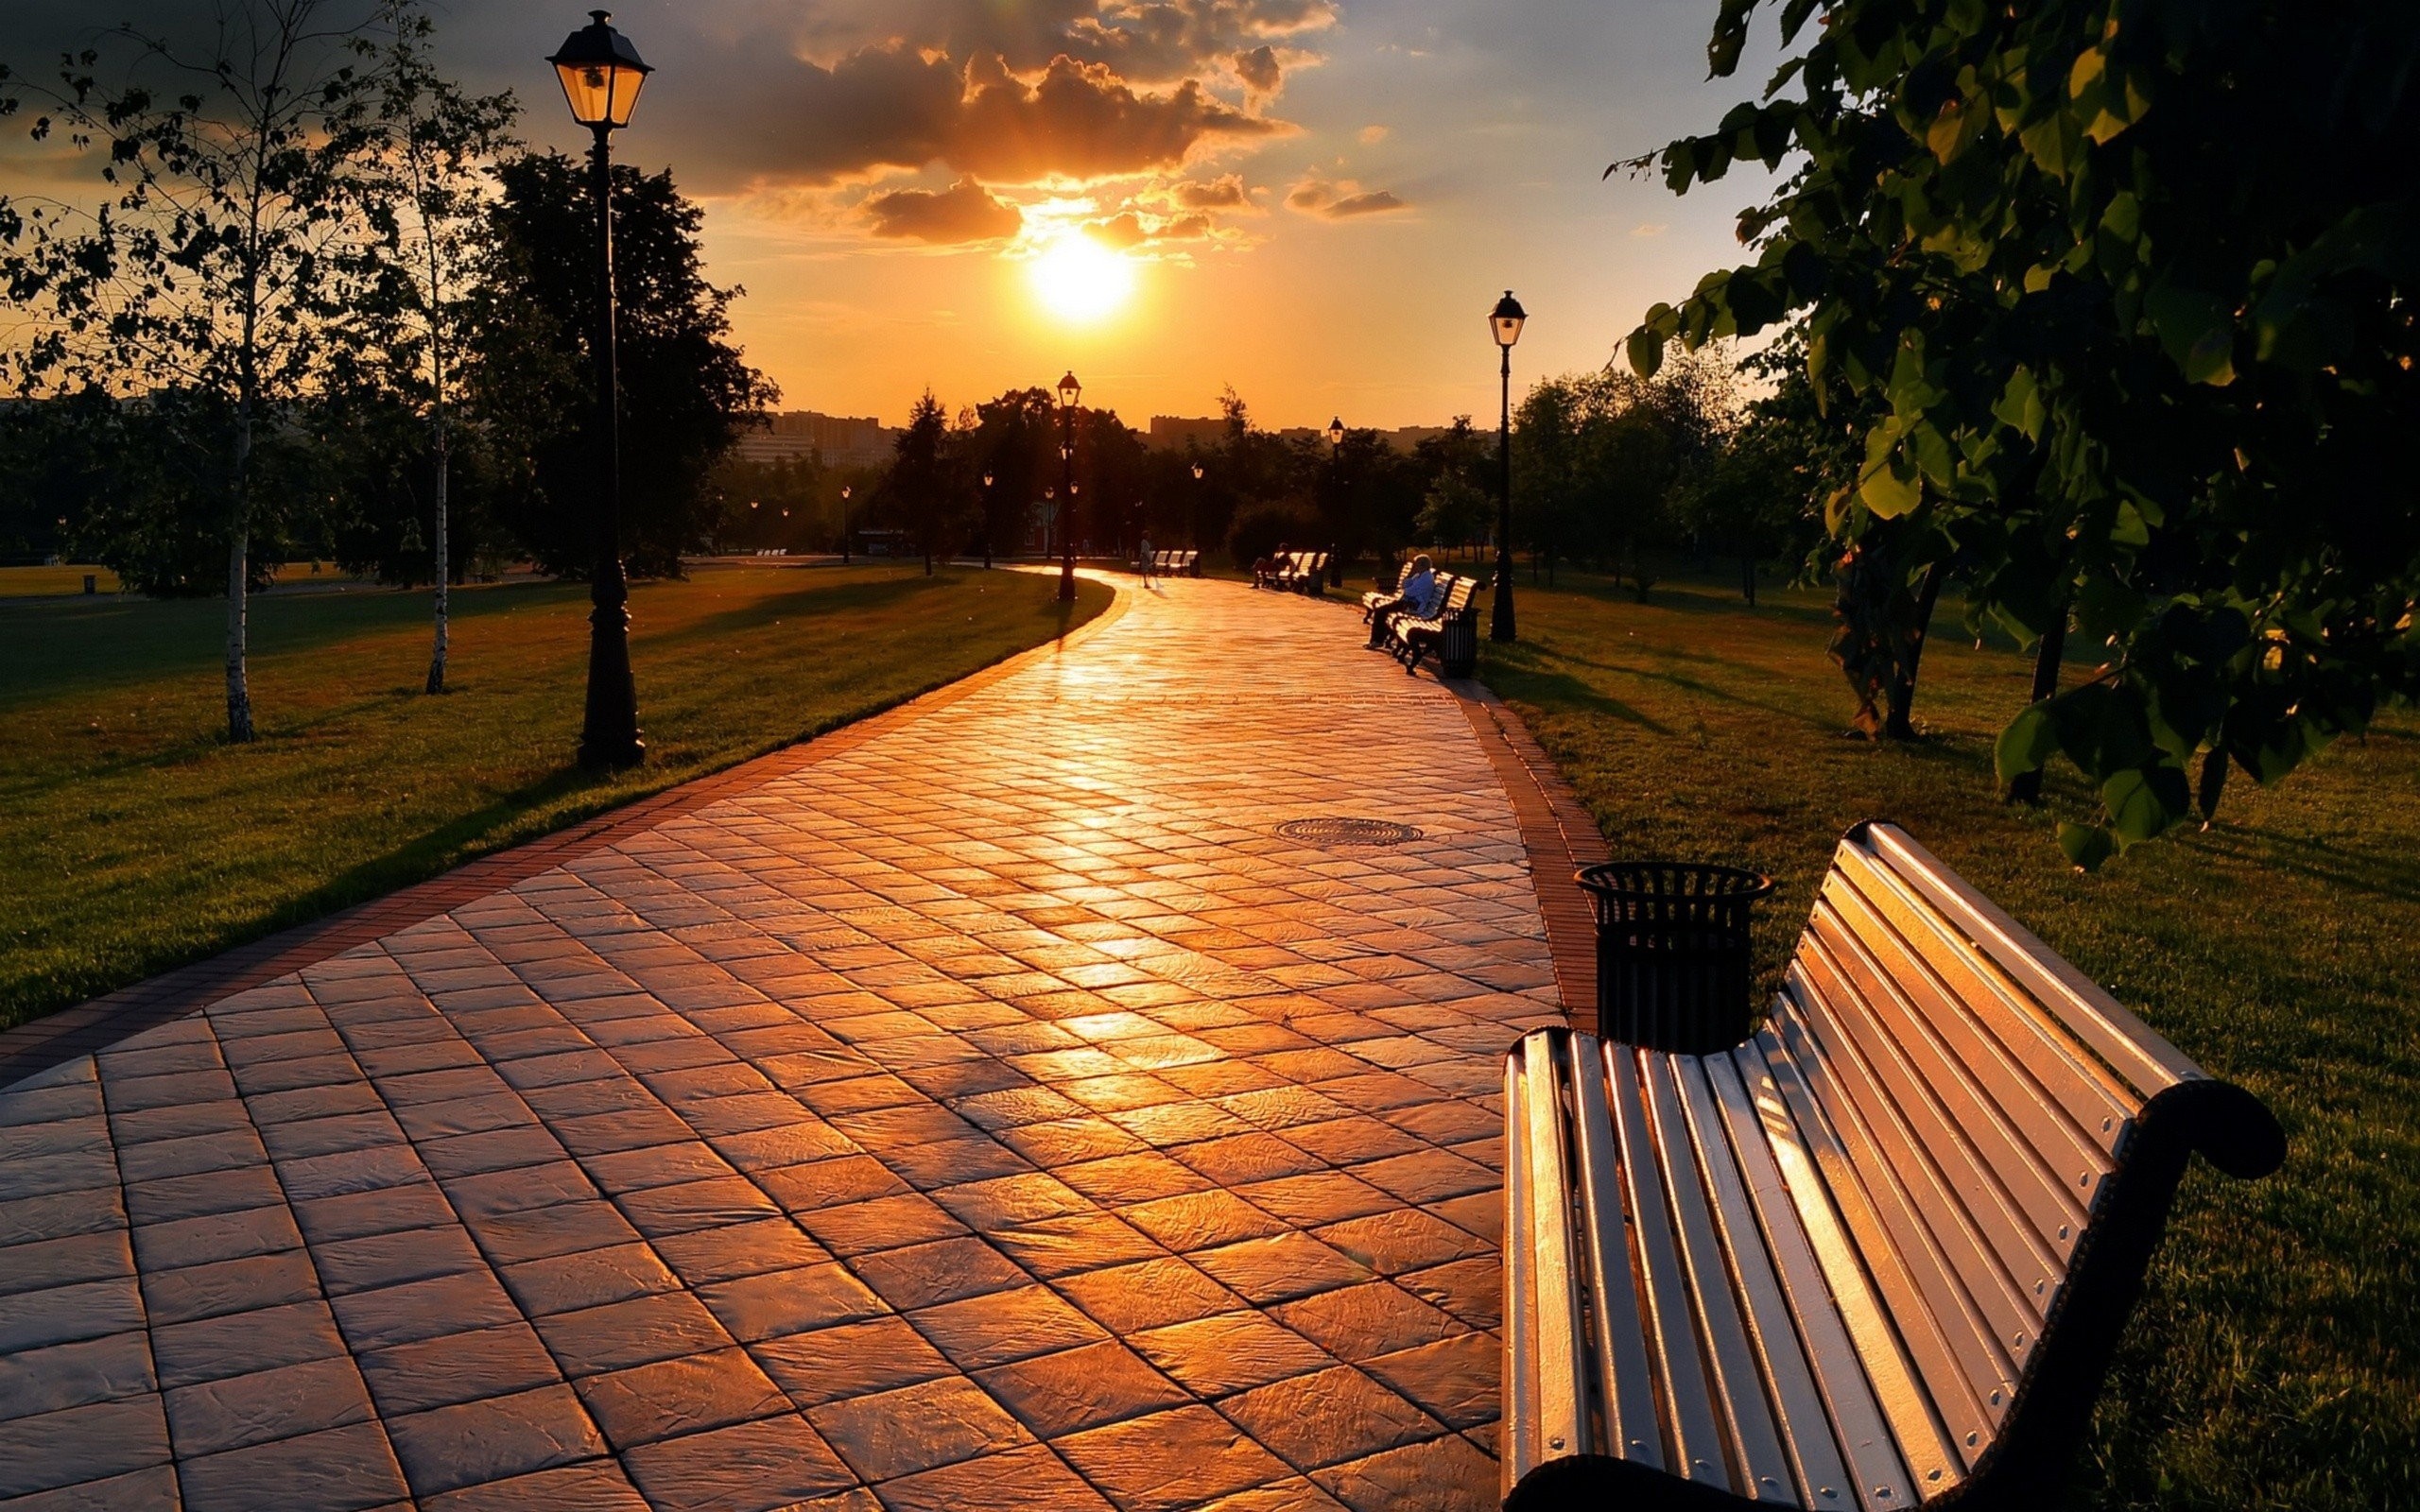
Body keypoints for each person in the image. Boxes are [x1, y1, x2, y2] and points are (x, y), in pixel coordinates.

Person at [1365, 554, 1439, 647]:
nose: (1414, 567)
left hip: (1413, 605)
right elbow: (1405, 585)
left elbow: (1409, 592)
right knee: (1382, 610)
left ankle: (1377, 641)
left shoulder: (1426, 579)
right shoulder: (1418, 576)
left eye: (1416, 564)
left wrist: (1407, 589)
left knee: (1381, 611)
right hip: (1407, 602)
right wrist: (1410, 575)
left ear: (1422, 565)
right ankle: (1377, 640)